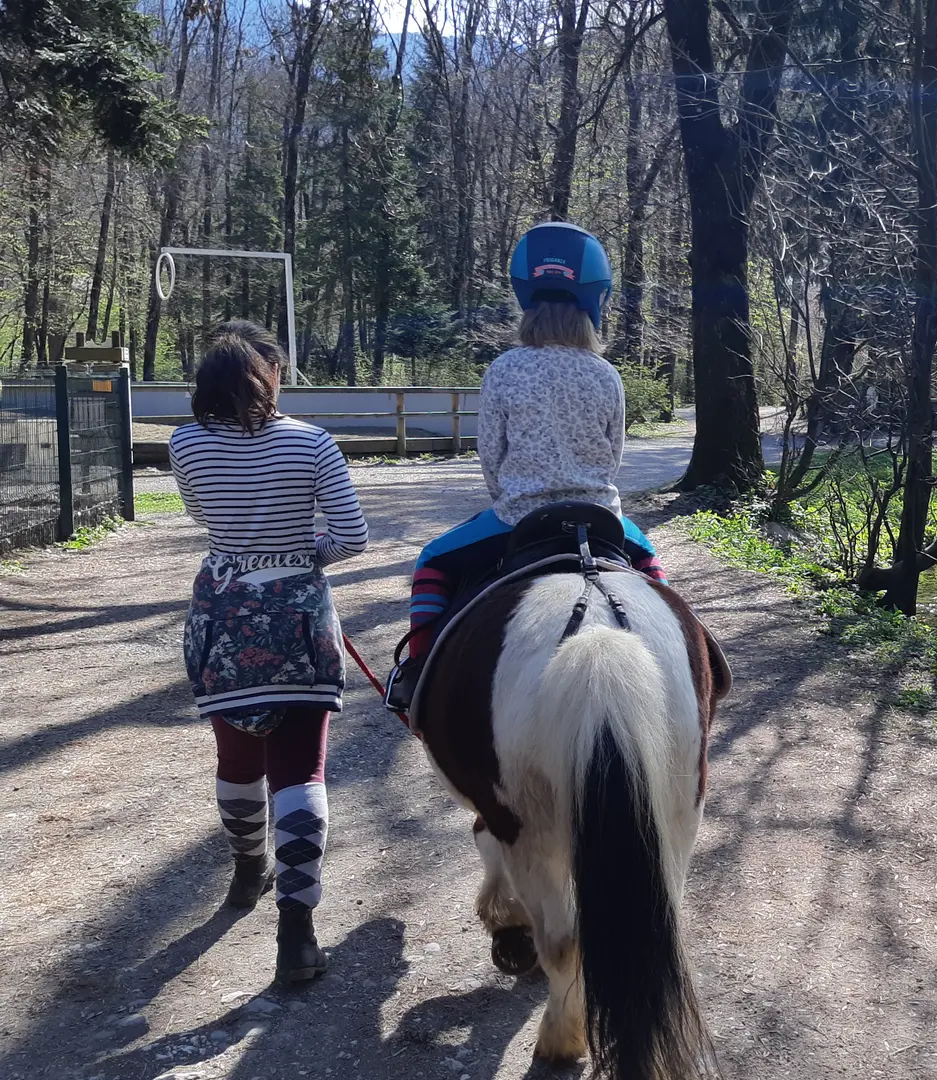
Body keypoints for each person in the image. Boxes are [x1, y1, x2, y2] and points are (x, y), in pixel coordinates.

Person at [385, 222, 663, 713]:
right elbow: (612, 455)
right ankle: (668, 663)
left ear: (527, 304)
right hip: (600, 516)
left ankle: (416, 675)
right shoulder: (606, 374)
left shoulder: (505, 369)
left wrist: (514, 492)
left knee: (431, 560)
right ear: (593, 307)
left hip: (519, 517)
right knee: (652, 573)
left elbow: (490, 455)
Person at [169, 320, 367, 985]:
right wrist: (302, 555)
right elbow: (353, 536)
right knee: (300, 770)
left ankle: (247, 868)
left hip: (224, 613)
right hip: (299, 619)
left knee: (236, 757)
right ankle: (298, 933)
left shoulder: (185, 443)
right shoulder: (313, 443)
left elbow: (200, 515)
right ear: (268, 373)